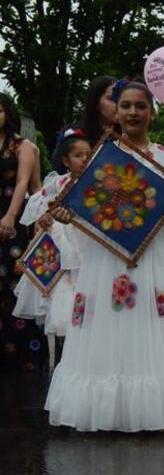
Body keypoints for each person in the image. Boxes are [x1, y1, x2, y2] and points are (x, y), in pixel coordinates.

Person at [44, 82, 164, 431]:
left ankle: (150, 411)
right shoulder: (99, 157)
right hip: (107, 259)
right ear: (115, 111)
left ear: (153, 112)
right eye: (126, 105)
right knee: (110, 323)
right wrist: (69, 218)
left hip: (153, 259)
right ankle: (109, 410)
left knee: (149, 324)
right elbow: (89, 211)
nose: (133, 112)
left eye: (140, 106)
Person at [13, 129, 89, 343]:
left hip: (87, 248)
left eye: (88, 154)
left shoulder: (98, 183)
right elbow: (39, 201)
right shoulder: (59, 183)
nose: (85, 159)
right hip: (62, 250)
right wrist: (44, 217)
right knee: (63, 302)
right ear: (65, 160)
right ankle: (61, 354)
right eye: (78, 155)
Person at [0, 93, 44, 373]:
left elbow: (24, 184)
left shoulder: (22, 146)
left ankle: (25, 355)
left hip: (14, 223)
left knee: (17, 286)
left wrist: (10, 217)